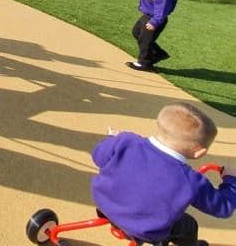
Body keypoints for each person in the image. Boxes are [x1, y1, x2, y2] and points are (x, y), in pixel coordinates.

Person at [91, 103, 235, 246]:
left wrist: (112, 140)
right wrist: (231, 180)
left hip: (105, 206)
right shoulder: (190, 180)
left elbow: (98, 157)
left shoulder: (126, 141)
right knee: (188, 225)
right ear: (200, 152)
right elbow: (223, 207)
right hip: (146, 230)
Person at [126, 0, 178, 72]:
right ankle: (158, 53)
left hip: (154, 18)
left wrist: (155, 22)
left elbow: (162, 8)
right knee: (136, 32)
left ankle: (144, 63)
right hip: (147, 16)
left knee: (145, 40)